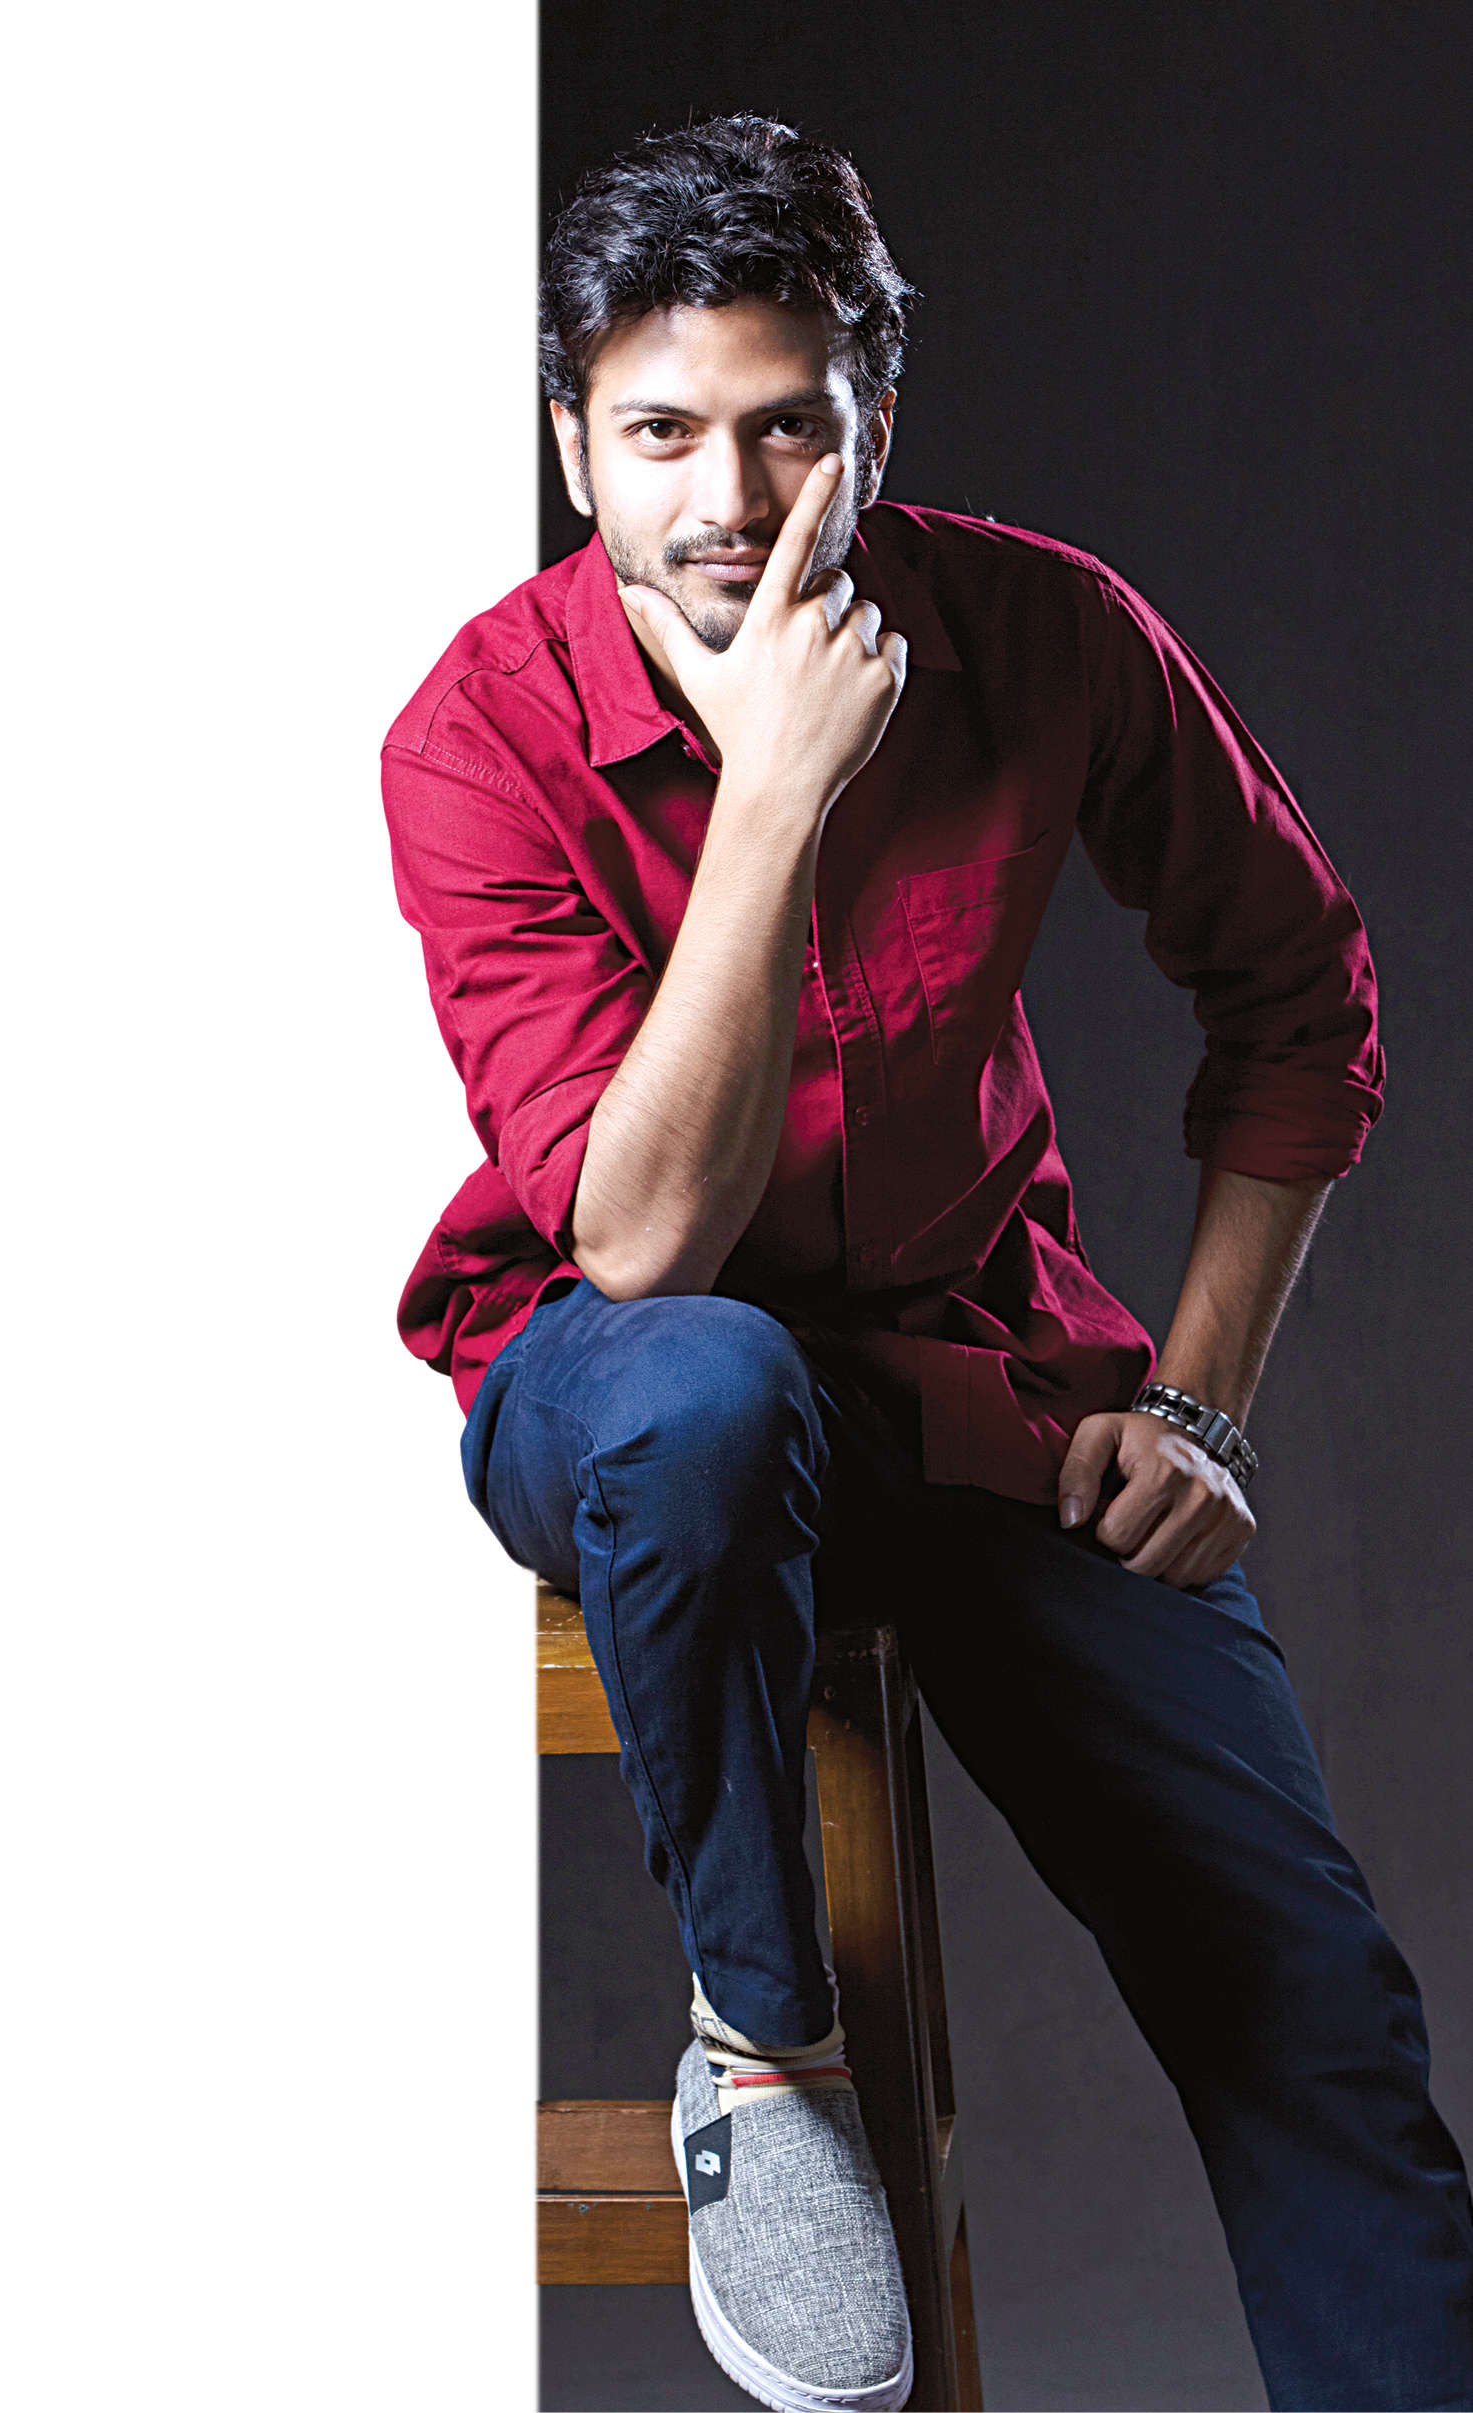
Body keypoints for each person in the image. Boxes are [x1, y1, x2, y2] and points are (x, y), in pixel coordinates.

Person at [381, 114, 1473, 2413]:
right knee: (706, 1382)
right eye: (659, 432)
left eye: (787, 426)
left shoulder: (1043, 632)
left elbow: (1298, 998)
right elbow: (639, 1240)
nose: (725, 497)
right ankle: (760, 2053)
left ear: (876, 417)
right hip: (617, 1390)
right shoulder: (477, 736)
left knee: (1309, 2008)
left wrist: (1192, 1398)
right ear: (568, 441)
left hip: (979, 1388)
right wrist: (772, 796)